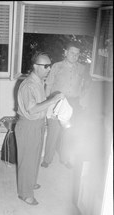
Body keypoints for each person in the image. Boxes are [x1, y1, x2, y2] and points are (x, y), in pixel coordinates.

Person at [15, 52, 64, 205]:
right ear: (35, 66)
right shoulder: (29, 85)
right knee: (27, 160)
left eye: (50, 65)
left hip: (37, 125)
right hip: (28, 126)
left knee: (35, 158)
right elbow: (31, 109)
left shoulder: (39, 82)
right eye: (46, 66)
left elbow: (40, 107)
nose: (49, 69)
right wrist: (53, 100)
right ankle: (25, 193)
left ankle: (30, 182)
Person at [41, 41, 92, 169]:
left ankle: (65, 159)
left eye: (77, 54)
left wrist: (82, 99)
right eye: (72, 52)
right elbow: (48, 85)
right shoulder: (56, 66)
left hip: (73, 104)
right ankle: (47, 159)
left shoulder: (82, 68)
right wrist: (48, 104)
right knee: (53, 132)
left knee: (68, 132)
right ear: (66, 52)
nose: (74, 56)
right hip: (57, 102)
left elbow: (85, 85)